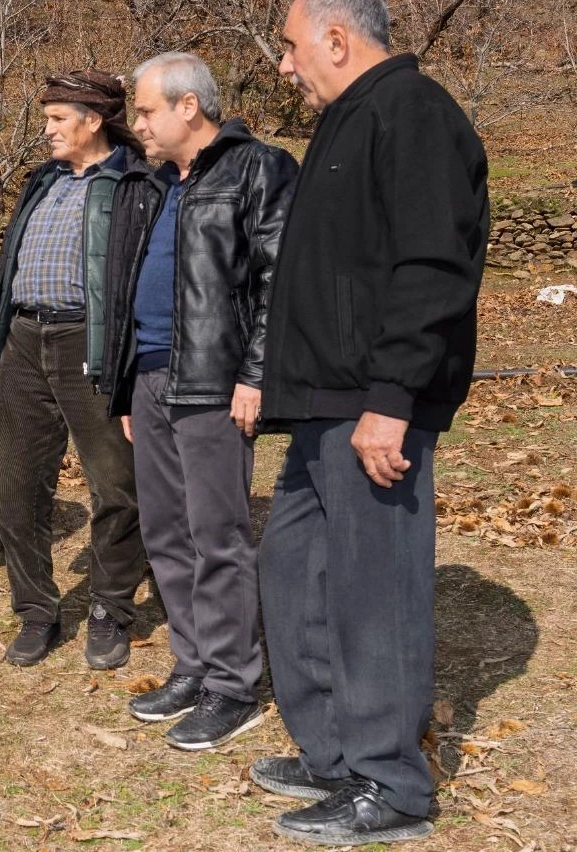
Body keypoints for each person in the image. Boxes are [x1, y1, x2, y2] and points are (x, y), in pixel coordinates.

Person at [250, 0, 487, 845]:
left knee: (370, 594)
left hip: (369, 402)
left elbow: (434, 262)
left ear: (337, 39)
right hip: (321, 400)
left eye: (289, 46)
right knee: (292, 574)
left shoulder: (411, 112)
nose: (283, 65)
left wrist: (392, 396)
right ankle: (336, 757)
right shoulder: (348, 123)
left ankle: (391, 787)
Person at [101, 53, 298, 749]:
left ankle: (232, 685)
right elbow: (130, 284)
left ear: (189, 106)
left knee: (216, 536)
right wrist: (127, 380)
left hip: (215, 381)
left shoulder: (257, 167)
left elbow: (280, 279)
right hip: (151, 378)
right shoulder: (156, 182)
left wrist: (256, 374)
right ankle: (193, 664)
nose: (138, 125)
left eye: (147, 110)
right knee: (165, 534)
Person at [0, 70, 146, 669]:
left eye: (56, 119)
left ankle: (110, 610)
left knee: (117, 484)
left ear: (93, 121)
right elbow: (5, 281)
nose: (45, 130)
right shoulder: (40, 182)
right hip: (23, 340)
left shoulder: (132, 182)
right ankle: (36, 612)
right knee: (15, 488)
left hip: (90, 344)